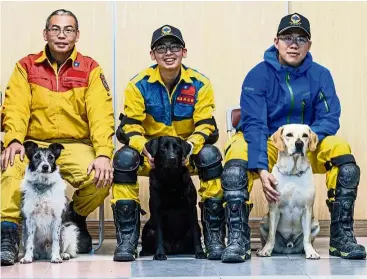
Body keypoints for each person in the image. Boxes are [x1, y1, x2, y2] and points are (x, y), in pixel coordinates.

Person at [221, 13, 366, 263]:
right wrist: (262, 168)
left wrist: (309, 139)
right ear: (276, 41)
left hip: (307, 141)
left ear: (309, 44)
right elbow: (253, 123)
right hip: (270, 142)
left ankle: (341, 237)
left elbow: (330, 117)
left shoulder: (321, 75)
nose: (294, 43)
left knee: (342, 152)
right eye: (287, 37)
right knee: (235, 161)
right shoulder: (258, 75)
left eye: (301, 38)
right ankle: (238, 238)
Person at [0, 9, 114, 266]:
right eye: (55, 29)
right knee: (9, 168)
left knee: (102, 176)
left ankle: (73, 216)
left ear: (77, 35)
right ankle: (7, 235)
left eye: (68, 30)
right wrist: (14, 139)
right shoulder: (25, 66)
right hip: (32, 144)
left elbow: (101, 114)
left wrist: (104, 153)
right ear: (45, 33)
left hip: (74, 145)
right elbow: (16, 107)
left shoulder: (90, 69)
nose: (62, 35)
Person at [112, 25, 225, 262]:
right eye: (161, 48)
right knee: (123, 159)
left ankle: (213, 235)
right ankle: (128, 239)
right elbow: (130, 126)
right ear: (152, 55)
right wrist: (144, 148)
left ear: (184, 51)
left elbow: (206, 126)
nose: (168, 52)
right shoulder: (138, 84)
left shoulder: (200, 83)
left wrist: (189, 148)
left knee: (211, 156)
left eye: (174, 46)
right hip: (152, 157)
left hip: (186, 156)